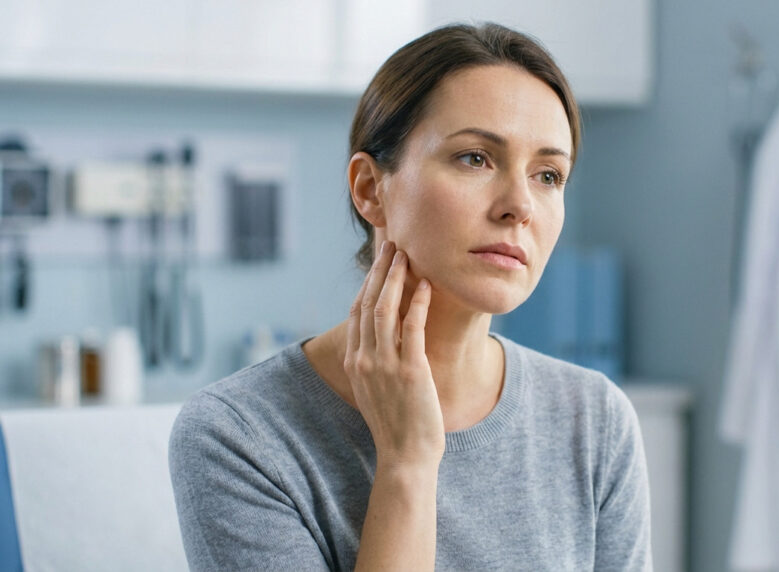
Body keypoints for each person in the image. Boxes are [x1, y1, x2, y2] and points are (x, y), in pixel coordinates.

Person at [169, 22, 652, 571]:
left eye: (548, 174)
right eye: (475, 158)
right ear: (370, 189)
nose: (520, 205)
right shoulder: (239, 436)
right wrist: (407, 464)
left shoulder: (593, 420)